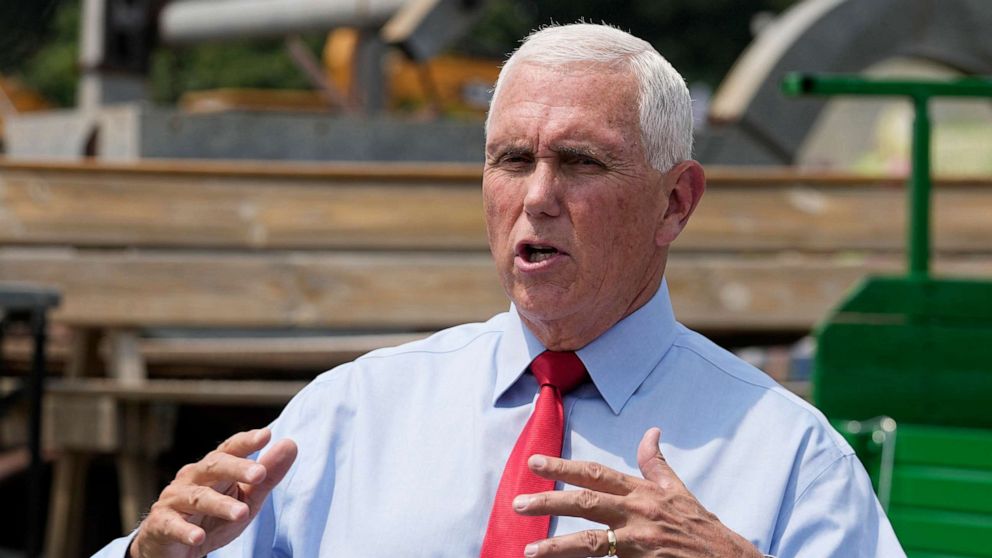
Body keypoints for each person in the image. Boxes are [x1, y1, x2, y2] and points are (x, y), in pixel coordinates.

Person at [97, 23, 905, 558]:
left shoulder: (790, 457)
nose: (538, 196)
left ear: (675, 201)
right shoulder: (350, 417)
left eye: (582, 163)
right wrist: (144, 554)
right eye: (513, 160)